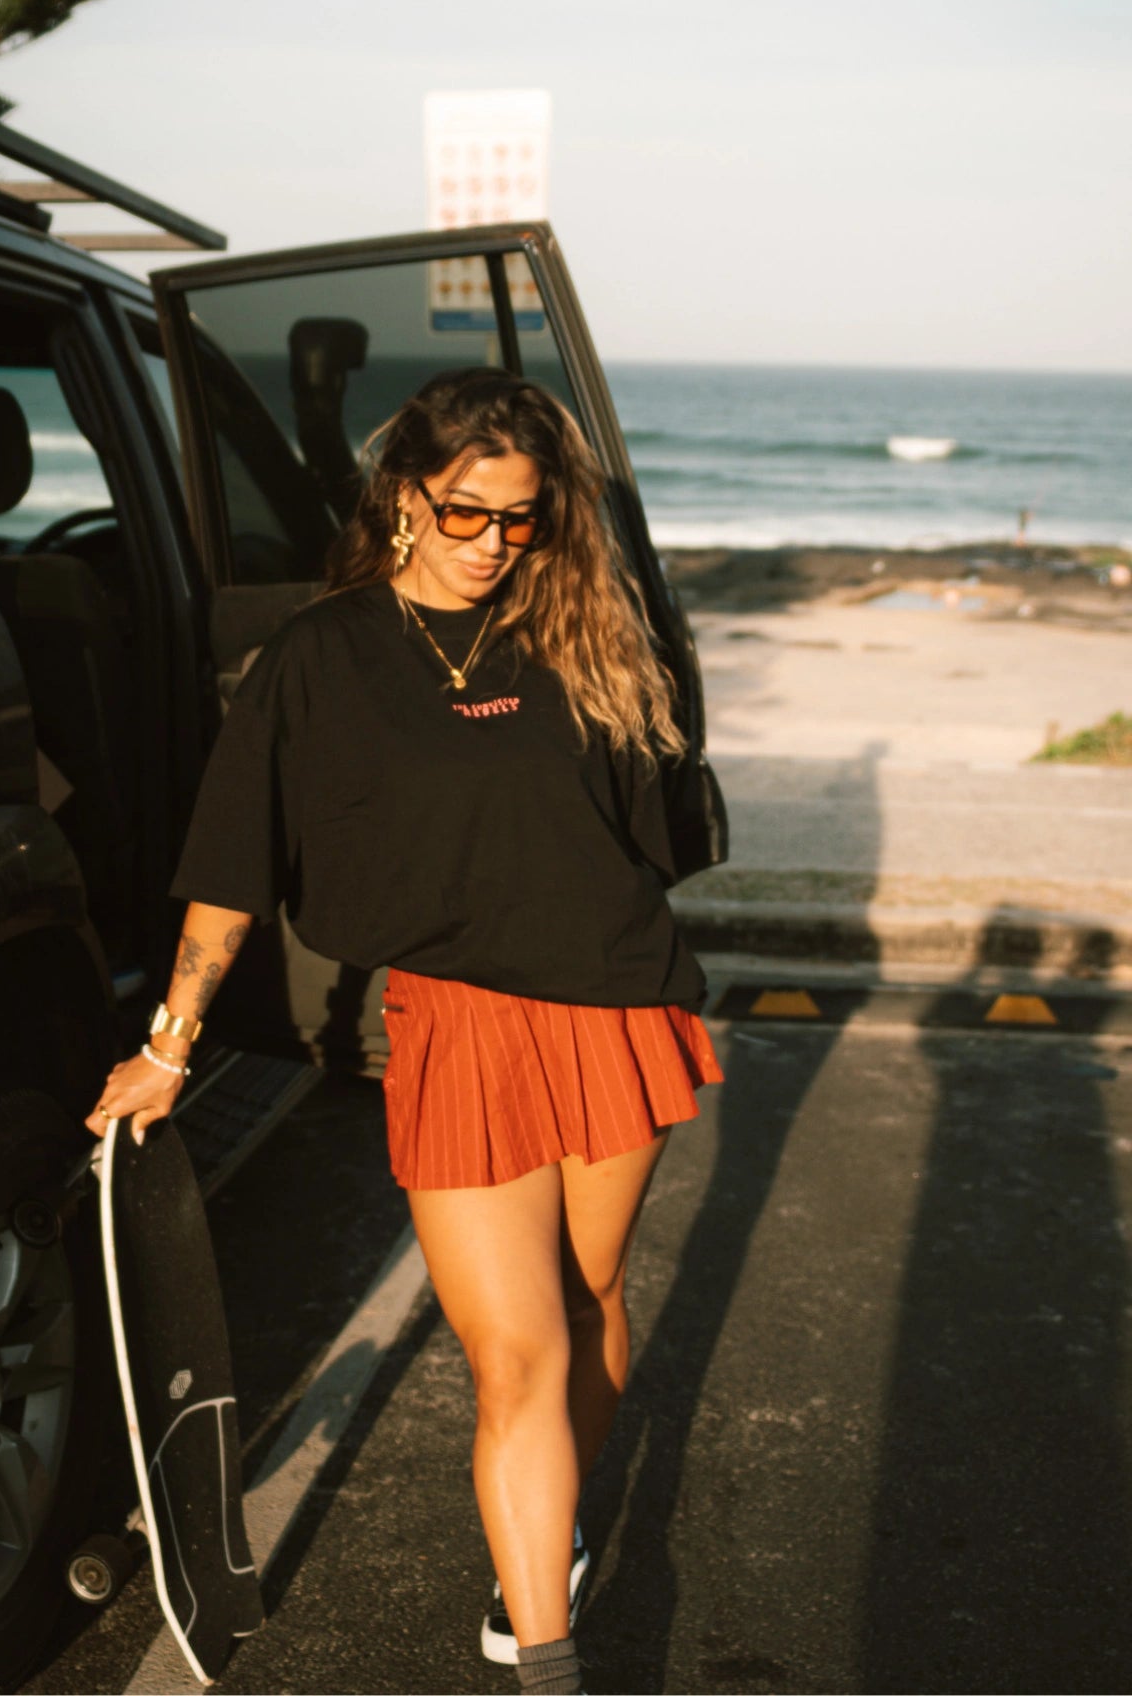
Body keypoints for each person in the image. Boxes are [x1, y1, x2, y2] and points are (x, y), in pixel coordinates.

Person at [86, 366, 722, 1695]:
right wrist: (171, 1042)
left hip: (616, 1010)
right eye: (466, 512)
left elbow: (645, 839)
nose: (494, 543)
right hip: (458, 1029)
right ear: (404, 497)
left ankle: (545, 1536)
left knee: (590, 1301)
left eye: (522, 518)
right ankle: (547, 1661)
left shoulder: (580, 635)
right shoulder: (319, 657)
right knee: (516, 1357)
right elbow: (231, 864)